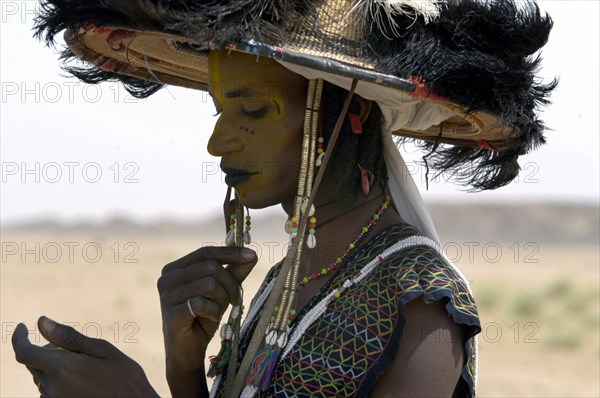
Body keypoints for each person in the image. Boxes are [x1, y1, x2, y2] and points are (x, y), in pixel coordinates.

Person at [12, 1, 555, 397]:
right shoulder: (283, 279)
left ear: (351, 117)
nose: (217, 141)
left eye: (252, 112)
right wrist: (184, 367)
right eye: (221, 111)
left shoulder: (419, 304)